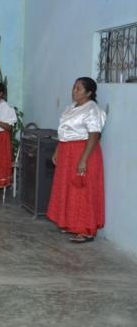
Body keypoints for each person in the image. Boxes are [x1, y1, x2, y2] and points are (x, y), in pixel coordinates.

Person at [47, 77, 106, 243]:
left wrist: (83, 160)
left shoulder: (92, 109)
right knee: (68, 187)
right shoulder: (70, 108)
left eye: (79, 88)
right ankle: (71, 223)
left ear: (89, 93)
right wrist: (58, 150)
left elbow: (94, 135)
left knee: (82, 188)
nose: (74, 90)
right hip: (67, 151)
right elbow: (64, 132)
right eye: (74, 87)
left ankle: (86, 229)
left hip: (83, 151)